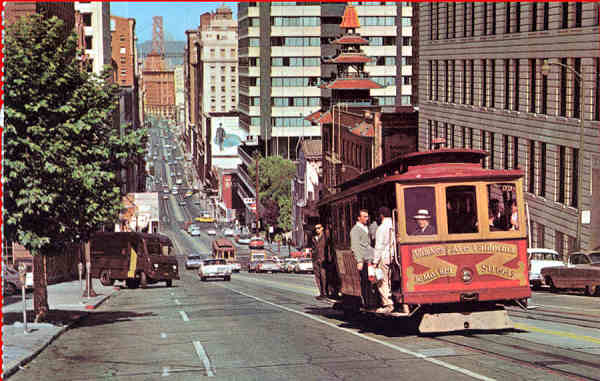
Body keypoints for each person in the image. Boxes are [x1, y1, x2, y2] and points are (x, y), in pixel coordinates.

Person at [373, 206, 394, 314]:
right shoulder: (395, 225)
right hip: (394, 257)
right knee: (390, 280)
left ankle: (388, 304)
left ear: (381, 215)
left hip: (384, 257)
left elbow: (379, 246)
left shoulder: (381, 228)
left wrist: (375, 262)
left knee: (382, 281)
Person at [312, 224, 328, 300]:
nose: (317, 230)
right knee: (317, 276)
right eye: (316, 228)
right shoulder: (314, 238)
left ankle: (325, 292)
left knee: (323, 276)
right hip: (315, 259)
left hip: (323, 259)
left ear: (322, 228)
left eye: (318, 228)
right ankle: (321, 293)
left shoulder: (325, 237)